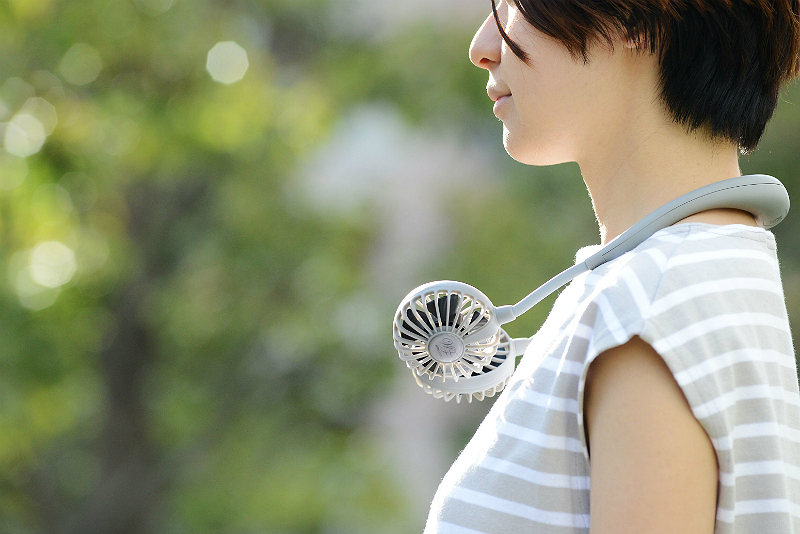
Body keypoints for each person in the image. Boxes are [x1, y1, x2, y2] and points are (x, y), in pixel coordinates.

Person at [424, 1, 800, 533]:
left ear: (632, 17)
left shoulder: (645, 306)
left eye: (510, 5)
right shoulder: (702, 274)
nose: (482, 48)